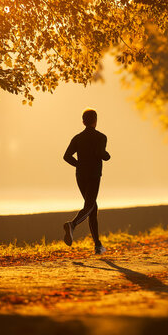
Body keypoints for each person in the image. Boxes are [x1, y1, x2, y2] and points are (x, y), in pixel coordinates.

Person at [63, 108, 110, 254]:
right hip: (94, 174)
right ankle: (72, 224)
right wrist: (107, 156)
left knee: (92, 207)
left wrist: (79, 164)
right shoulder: (101, 137)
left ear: (83, 121)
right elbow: (100, 153)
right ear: (95, 120)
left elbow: (66, 156)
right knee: (90, 205)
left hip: (80, 175)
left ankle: (97, 245)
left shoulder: (77, 138)